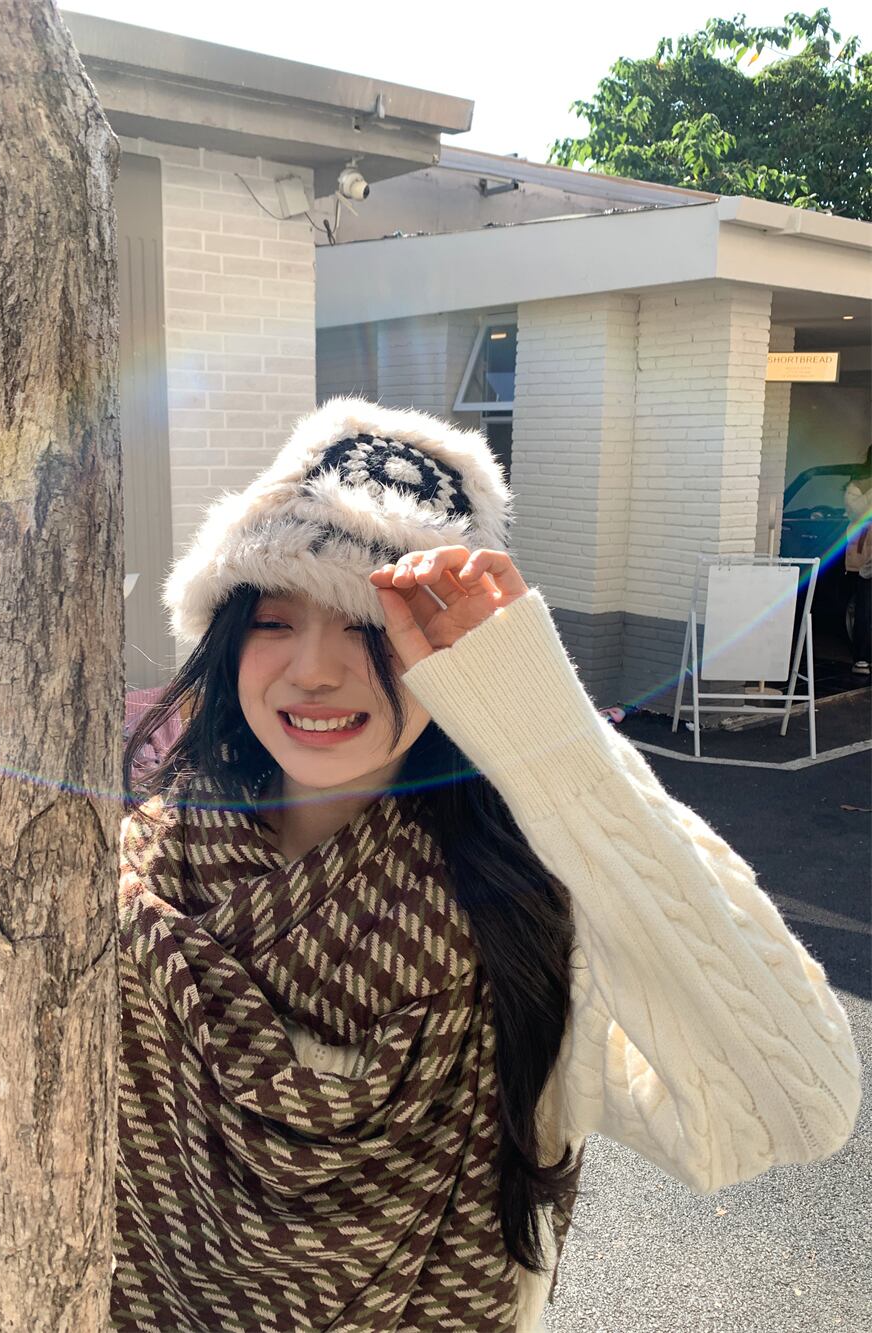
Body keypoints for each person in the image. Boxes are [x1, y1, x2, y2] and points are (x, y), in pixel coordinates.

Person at [114, 399, 861, 1333]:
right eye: (272, 619)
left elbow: (796, 1104)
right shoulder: (146, 864)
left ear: (457, 658)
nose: (313, 669)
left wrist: (547, 736)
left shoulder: (528, 913)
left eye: (372, 626)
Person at [843, 450, 872, 674]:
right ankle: (862, 658)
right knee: (865, 607)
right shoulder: (857, 487)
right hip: (866, 556)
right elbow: (857, 512)